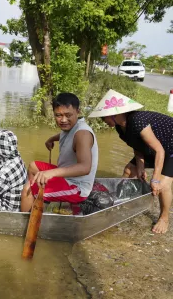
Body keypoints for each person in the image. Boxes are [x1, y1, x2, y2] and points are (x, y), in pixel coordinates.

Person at [89, 89, 173, 234]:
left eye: (104, 118)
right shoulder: (120, 128)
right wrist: (140, 167)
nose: (103, 121)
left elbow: (160, 151)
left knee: (163, 185)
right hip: (156, 148)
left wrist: (155, 178)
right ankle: (119, 203)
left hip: (169, 148)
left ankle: (164, 218)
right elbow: (137, 146)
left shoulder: (138, 121)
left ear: (114, 115)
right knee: (130, 170)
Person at [21, 93, 99, 214]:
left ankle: (23, 226)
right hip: (66, 176)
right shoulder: (71, 126)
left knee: (28, 189)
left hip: (77, 187)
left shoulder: (82, 134)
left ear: (78, 111)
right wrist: (51, 139)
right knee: (32, 166)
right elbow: (64, 134)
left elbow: (85, 167)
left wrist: (50, 173)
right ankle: (38, 204)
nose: (63, 120)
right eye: (58, 115)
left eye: (68, 115)